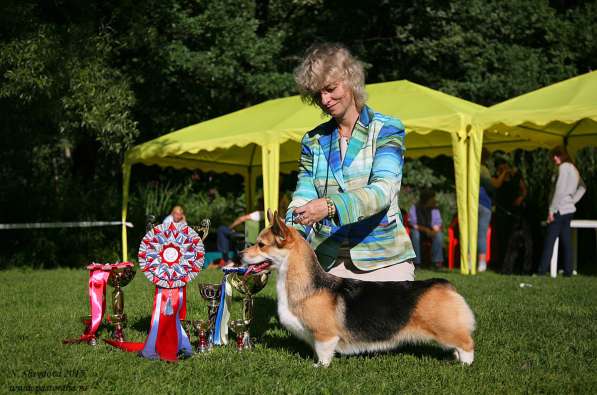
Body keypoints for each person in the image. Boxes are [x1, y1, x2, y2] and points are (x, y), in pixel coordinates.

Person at [284, 43, 416, 281]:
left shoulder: (386, 129)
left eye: (330, 89)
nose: (324, 100)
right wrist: (284, 239)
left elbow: (383, 191)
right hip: (327, 262)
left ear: (351, 79)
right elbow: (302, 197)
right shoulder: (312, 141)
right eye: (317, 95)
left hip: (383, 259)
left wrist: (331, 206)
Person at [537, 146, 586, 277]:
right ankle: (568, 271)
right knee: (566, 241)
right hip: (569, 210)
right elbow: (582, 187)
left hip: (559, 209)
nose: (554, 157)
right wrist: (572, 200)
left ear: (564, 155)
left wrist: (551, 210)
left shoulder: (563, 168)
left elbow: (559, 191)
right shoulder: (574, 169)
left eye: (557, 155)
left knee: (550, 240)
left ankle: (541, 271)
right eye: (554, 155)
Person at [491, 157, 531, 274]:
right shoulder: (495, 177)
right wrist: (504, 173)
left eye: (504, 165)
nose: (503, 167)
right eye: (500, 166)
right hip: (502, 212)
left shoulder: (516, 177)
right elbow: (497, 185)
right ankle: (503, 265)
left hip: (514, 212)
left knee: (514, 240)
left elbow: (524, 190)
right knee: (502, 239)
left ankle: (517, 266)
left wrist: (521, 197)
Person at [408, 189, 444, 268]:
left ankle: (436, 262)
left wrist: (435, 231)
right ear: (427, 199)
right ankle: (417, 263)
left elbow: (437, 223)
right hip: (419, 230)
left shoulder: (435, 209)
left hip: (430, 231)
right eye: (433, 198)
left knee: (439, 235)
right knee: (415, 234)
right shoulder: (414, 208)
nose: (435, 200)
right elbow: (413, 224)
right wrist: (426, 230)